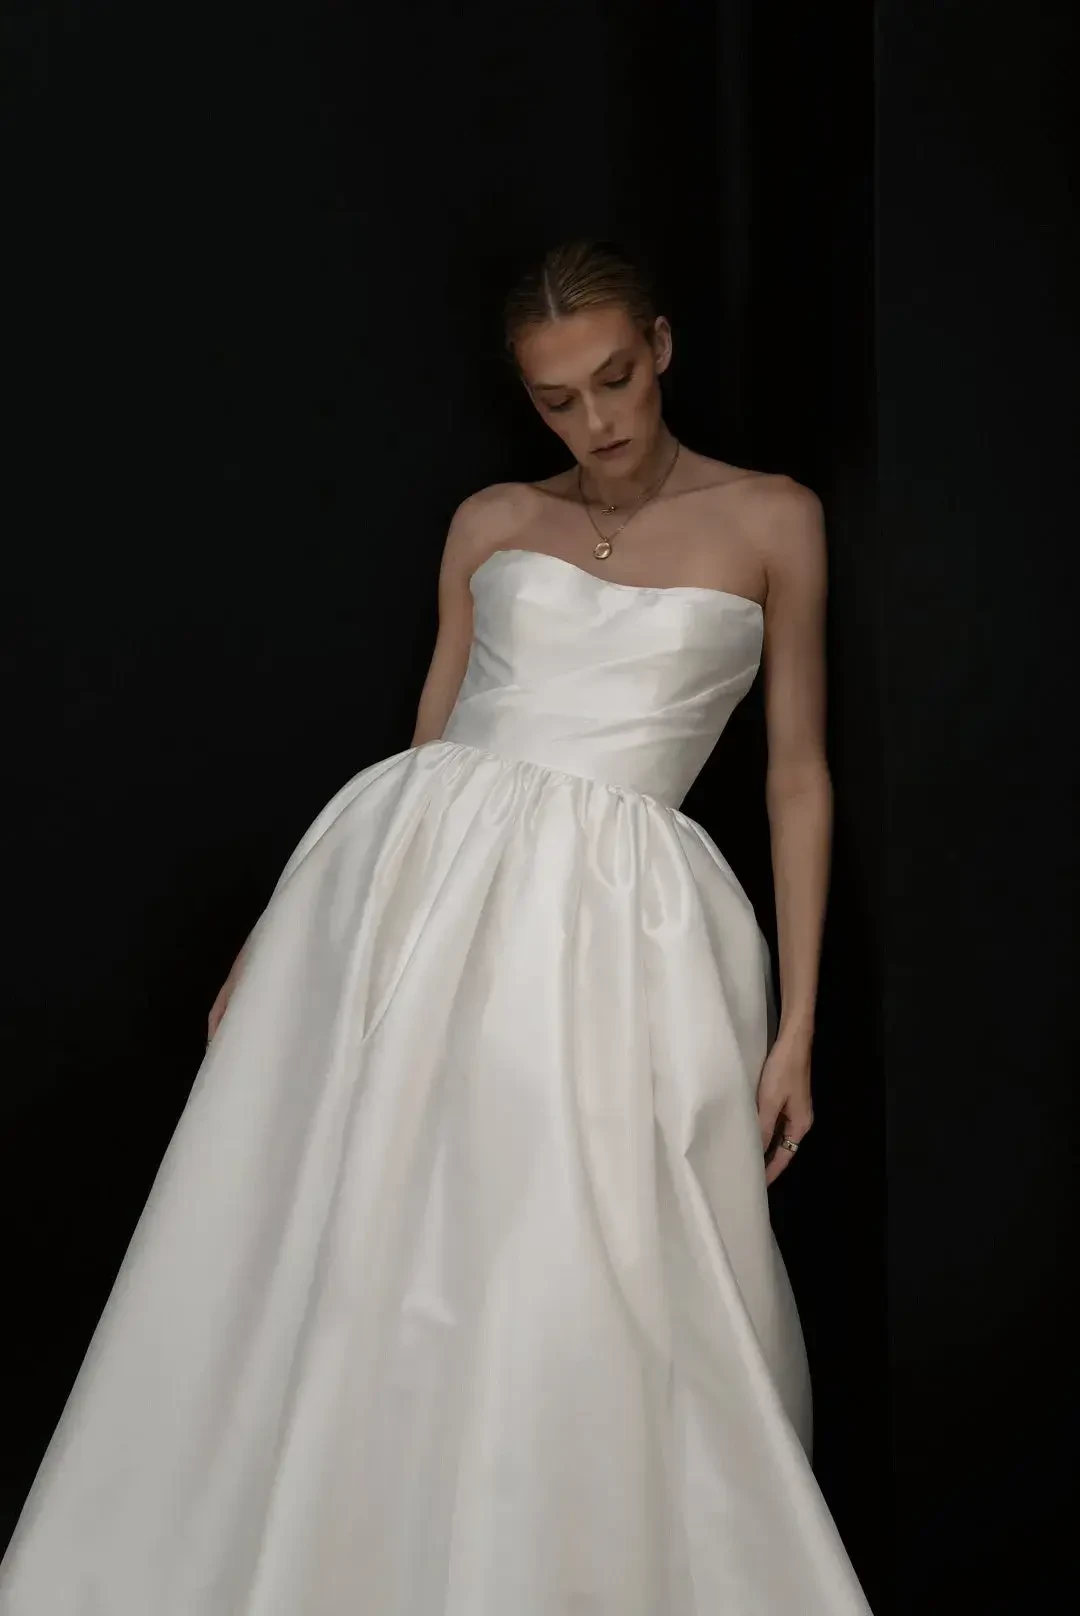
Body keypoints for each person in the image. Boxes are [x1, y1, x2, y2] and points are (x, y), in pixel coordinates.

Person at [0, 240, 872, 1613]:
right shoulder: (490, 520)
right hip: (416, 894)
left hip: (617, 930)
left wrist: (799, 1025)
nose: (598, 421)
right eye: (558, 400)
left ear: (661, 345)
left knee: (581, 1247)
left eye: (616, 378)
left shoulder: (774, 518)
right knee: (375, 1235)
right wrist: (288, 935)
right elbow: (428, 750)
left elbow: (797, 775)